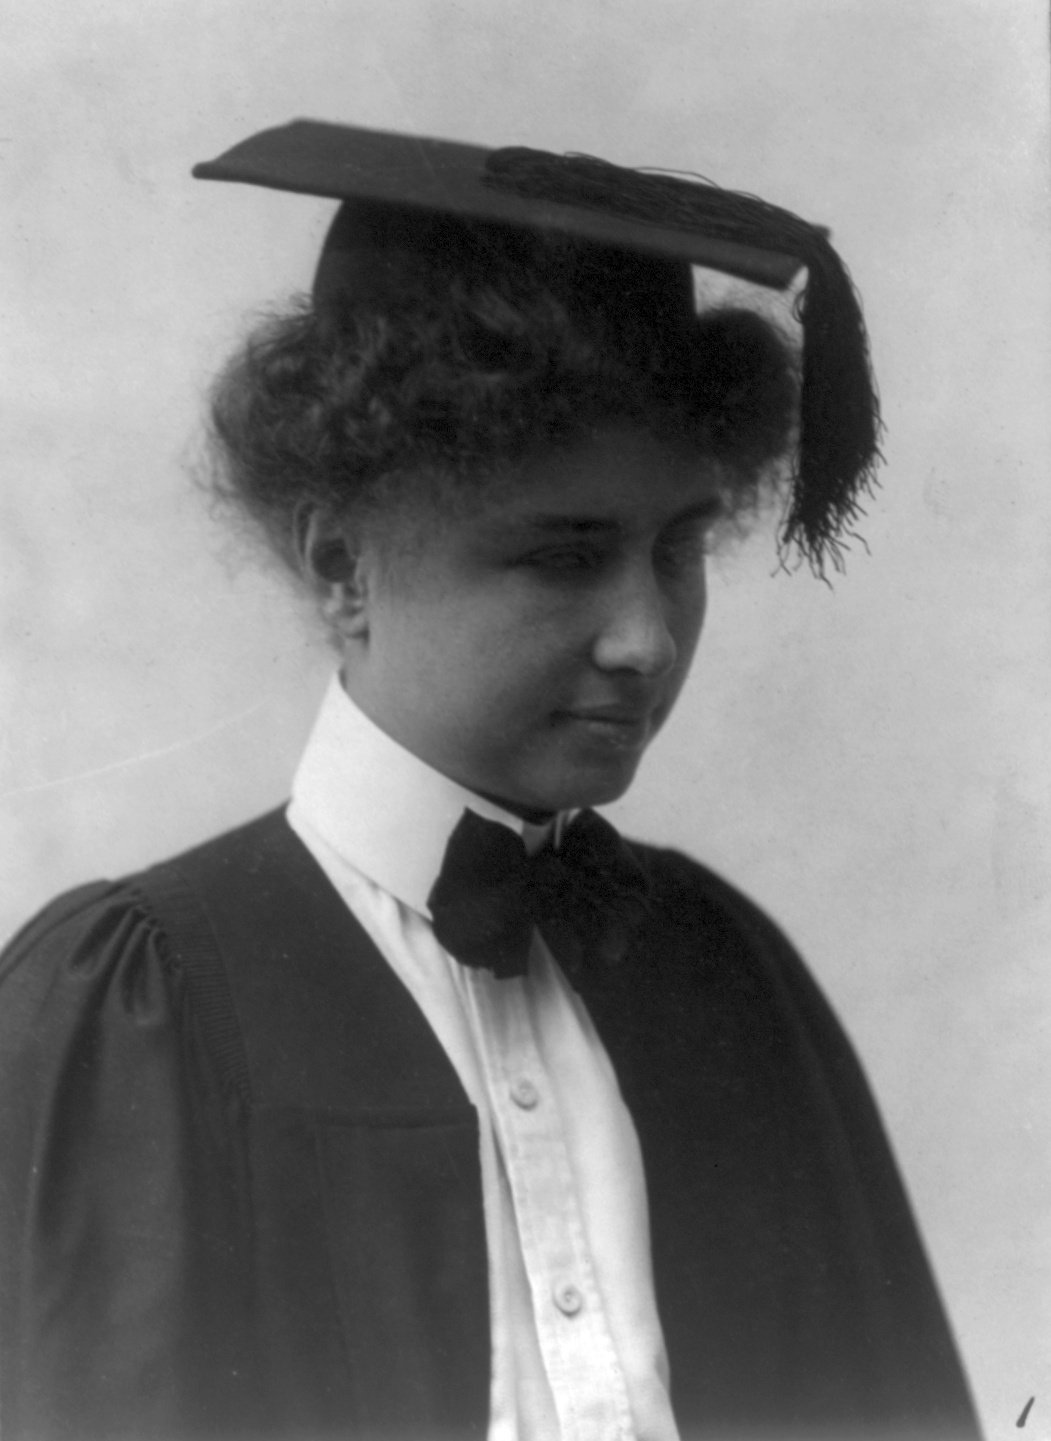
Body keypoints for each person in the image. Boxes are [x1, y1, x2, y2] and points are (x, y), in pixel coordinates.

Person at [0, 121, 980, 1441]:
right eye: (564, 555)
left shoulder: (727, 979)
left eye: (678, 547)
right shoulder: (141, 1008)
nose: (644, 636)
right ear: (344, 566)